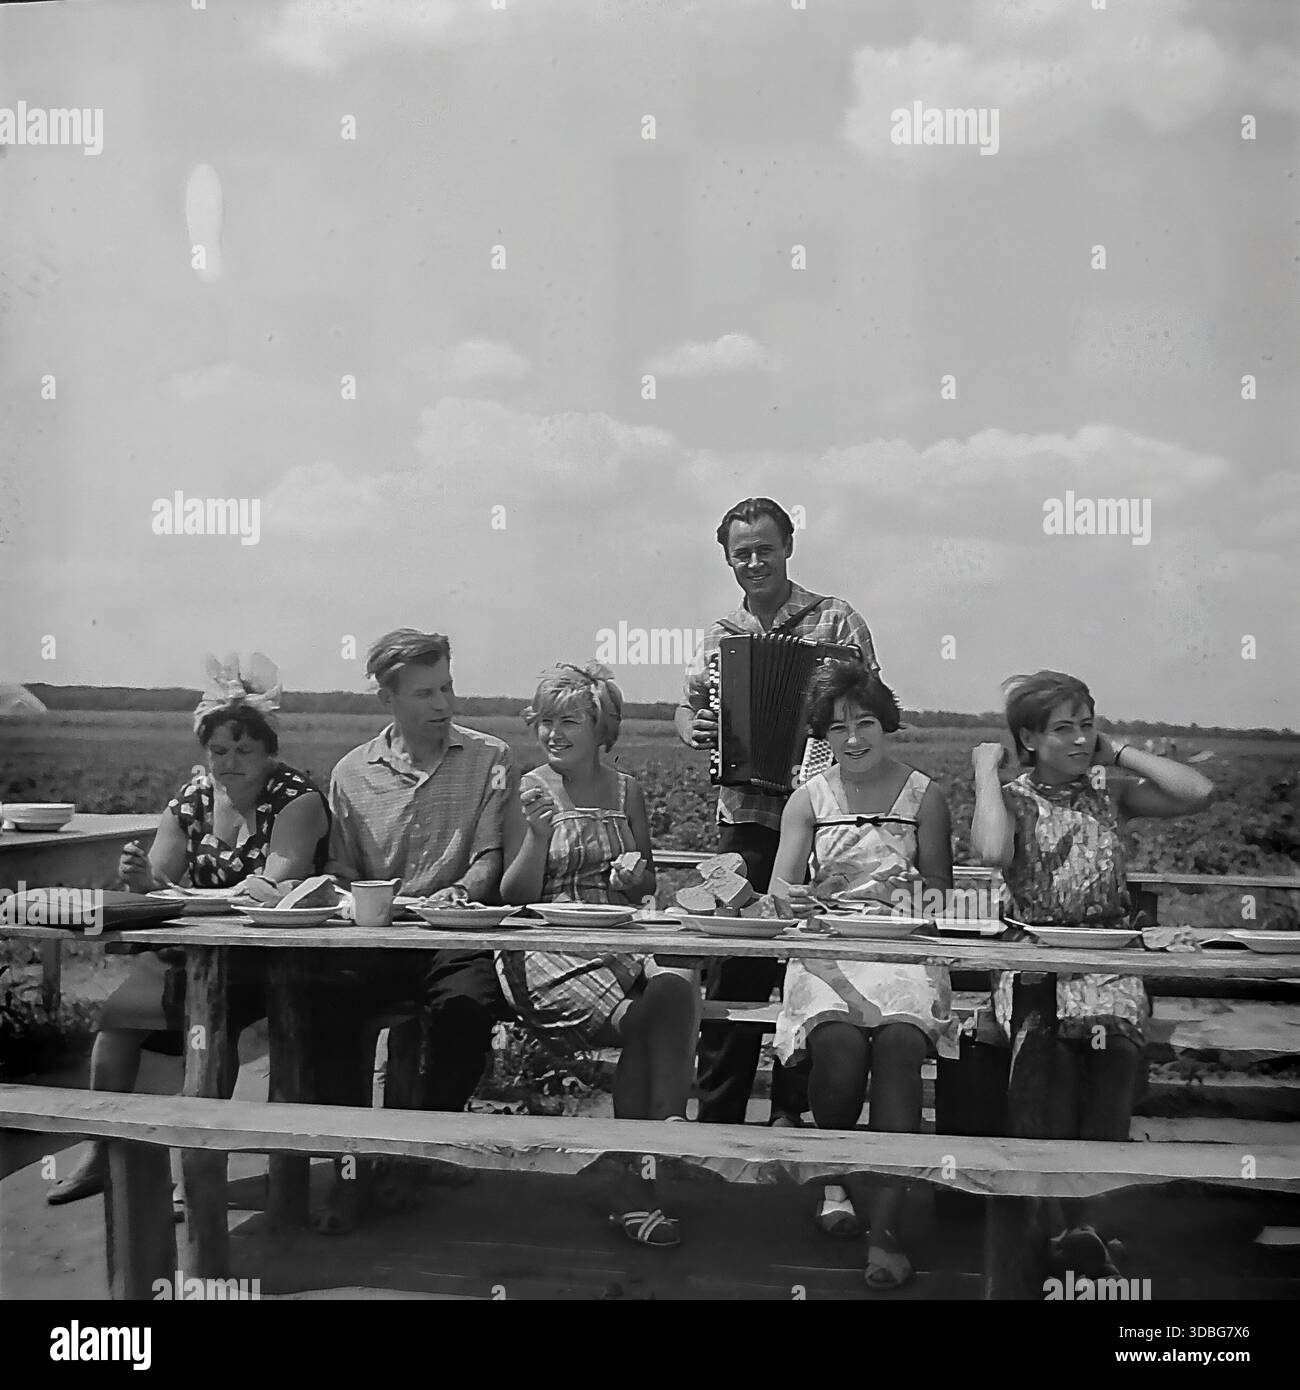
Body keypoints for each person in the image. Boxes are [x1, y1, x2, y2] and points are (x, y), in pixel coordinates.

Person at [47, 654, 329, 1206]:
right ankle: (102, 1150)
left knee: (213, 1036)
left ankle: (196, 1171)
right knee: (116, 1025)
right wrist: (141, 876)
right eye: (219, 751)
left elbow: (272, 887)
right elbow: (159, 879)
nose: (230, 763)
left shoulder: (297, 800)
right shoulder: (193, 799)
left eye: (245, 751)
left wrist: (186, 897)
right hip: (188, 947)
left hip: (267, 953)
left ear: (270, 752)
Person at [970, 670, 1214, 1278]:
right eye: (1063, 729)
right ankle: (1039, 1218)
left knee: (1112, 1052)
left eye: (1087, 725)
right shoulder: (1017, 799)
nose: (1080, 740)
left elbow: (1199, 793)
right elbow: (994, 854)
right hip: (1034, 961)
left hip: (1108, 963)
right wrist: (985, 774)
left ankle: (1088, 1221)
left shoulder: (1110, 792)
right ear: (1029, 738)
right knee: (1042, 1057)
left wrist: (1122, 751)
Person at [677, 496, 879, 1127]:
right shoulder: (721, 635)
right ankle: (719, 1116)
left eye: (766, 548)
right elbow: (685, 710)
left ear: (789, 546)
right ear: (727, 558)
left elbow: (867, 705)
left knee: (812, 962)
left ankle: (794, 1115)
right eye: (743, 553)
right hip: (744, 814)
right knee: (735, 964)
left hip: (822, 817)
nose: (755, 562)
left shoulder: (836, 620)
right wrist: (695, 729)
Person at [306, 628, 515, 1233]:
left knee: (469, 1007)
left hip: (450, 933)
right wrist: (353, 900)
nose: (443, 704)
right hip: (375, 937)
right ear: (387, 699)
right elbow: (341, 868)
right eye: (424, 693)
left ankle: (414, 1152)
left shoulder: (489, 758)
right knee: (325, 1003)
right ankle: (347, 1163)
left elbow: (488, 857)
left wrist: (463, 892)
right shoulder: (351, 773)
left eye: (447, 687)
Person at [499, 663, 700, 1247]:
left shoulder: (625, 791)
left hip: (618, 938)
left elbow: (643, 886)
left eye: (569, 721)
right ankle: (641, 1173)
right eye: (545, 720)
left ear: (600, 727)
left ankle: (641, 1155)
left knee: (677, 983)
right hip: (544, 945)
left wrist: (636, 875)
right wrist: (537, 837)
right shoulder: (528, 789)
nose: (554, 733)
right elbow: (514, 895)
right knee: (646, 1022)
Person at [771, 662, 955, 1290]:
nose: (854, 738)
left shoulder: (925, 797)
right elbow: (781, 889)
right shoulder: (808, 799)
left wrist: (913, 899)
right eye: (840, 727)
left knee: (900, 1047)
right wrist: (797, 898)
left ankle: (886, 1226)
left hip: (903, 952)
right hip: (829, 948)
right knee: (840, 1050)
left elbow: (941, 898)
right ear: (824, 736)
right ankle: (836, 1178)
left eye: (867, 722)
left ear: (887, 725)